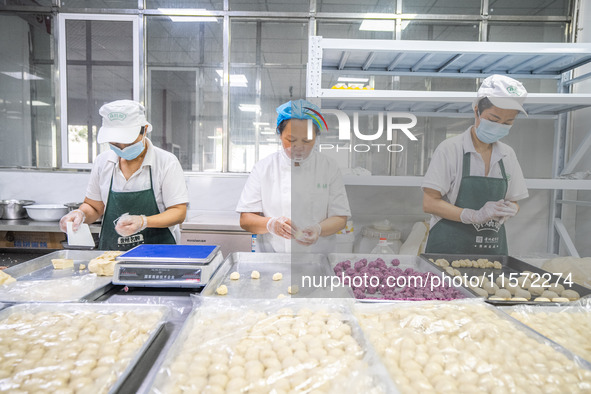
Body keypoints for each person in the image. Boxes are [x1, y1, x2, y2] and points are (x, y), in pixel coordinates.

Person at [59, 100, 189, 250]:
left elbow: (178, 212)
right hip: (112, 255)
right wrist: (80, 215)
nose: (123, 149)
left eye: (128, 143)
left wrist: (143, 221)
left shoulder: (166, 162)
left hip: (158, 253)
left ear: (145, 130)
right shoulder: (103, 162)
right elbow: (94, 207)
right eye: (116, 144)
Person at [422, 75, 529, 255]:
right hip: (448, 249)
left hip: (491, 249)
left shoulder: (507, 154)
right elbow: (429, 203)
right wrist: (473, 215)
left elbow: (514, 200)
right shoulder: (450, 149)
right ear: (476, 111)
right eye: (494, 120)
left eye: (507, 122)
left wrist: (511, 209)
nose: (499, 126)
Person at [236, 99, 351, 253]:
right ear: (279, 135)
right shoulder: (264, 168)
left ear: (316, 137)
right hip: (274, 259)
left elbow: (340, 218)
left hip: (317, 259)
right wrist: (271, 224)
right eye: (291, 140)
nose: (298, 147)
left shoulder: (328, 167)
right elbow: (246, 220)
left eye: (307, 140)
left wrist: (318, 229)